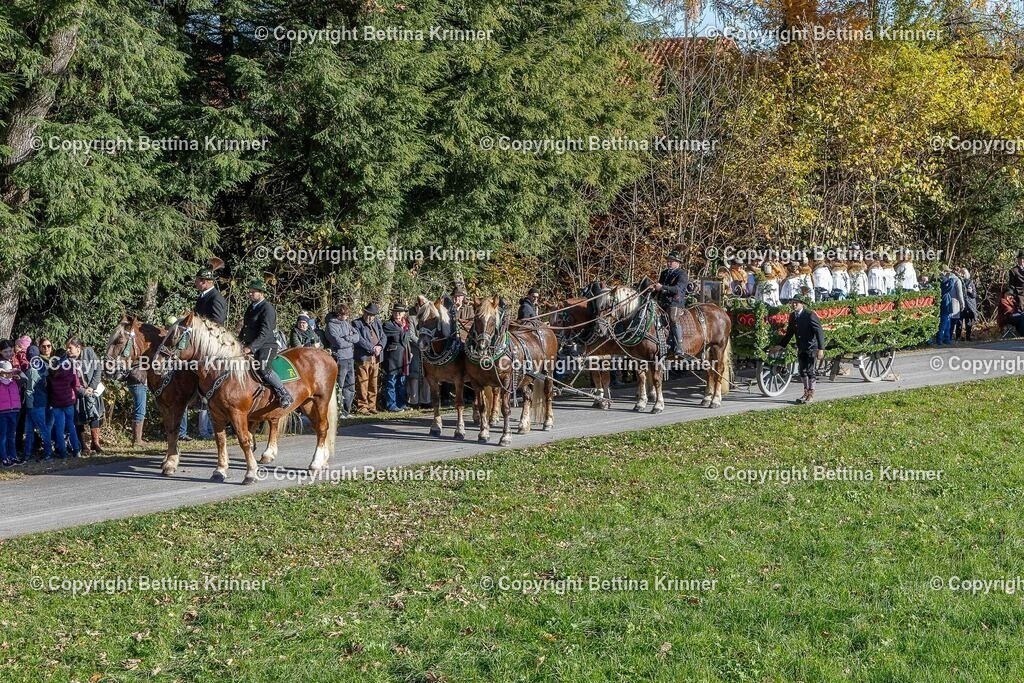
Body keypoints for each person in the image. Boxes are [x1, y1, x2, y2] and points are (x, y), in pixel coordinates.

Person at [238, 279, 294, 408]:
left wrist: (250, 348)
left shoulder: (267, 309)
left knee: (263, 368)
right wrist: (238, 343)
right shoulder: (250, 308)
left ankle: (284, 394)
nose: (250, 294)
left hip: (266, 345)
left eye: (253, 292)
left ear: (261, 293)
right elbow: (245, 329)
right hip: (250, 345)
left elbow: (265, 332)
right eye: (249, 292)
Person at [771, 294, 825, 404]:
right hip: (801, 346)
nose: (794, 304)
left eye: (796, 302)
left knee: (810, 371)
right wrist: (781, 345)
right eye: (792, 302)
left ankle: (811, 394)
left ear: (802, 304)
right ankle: (805, 392)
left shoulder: (810, 314)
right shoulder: (793, 316)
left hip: (811, 347)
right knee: (802, 371)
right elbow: (790, 333)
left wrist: (821, 348)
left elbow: (819, 331)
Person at [67, 338, 105, 453]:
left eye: (70, 348)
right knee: (78, 418)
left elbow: (98, 369)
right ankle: (83, 445)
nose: (67, 350)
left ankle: (95, 443)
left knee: (95, 415)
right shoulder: (67, 361)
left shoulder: (89, 352)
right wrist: (82, 391)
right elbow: (70, 381)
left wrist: (91, 387)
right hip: (78, 393)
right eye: (67, 348)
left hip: (92, 390)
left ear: (78, 348)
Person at [325, 304, 360, 419]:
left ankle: (346, 410)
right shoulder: (331, 325)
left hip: (350, 357)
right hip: (340, 358)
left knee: (350, 385)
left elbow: (357, 336)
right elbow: (338, 343)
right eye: (344, 315)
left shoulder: (346, 324)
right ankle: (338, 411)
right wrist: (349, 340)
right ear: (339, 314)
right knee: (339, 385)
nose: (346, 317)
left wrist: (348, 338)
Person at [653, 250, 688, 355]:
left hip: (675, 302)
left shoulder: (682, 274)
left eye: (671, 261)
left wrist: (662, 287)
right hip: (661, 301)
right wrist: (654, 289)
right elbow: (660, 288)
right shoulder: (664, 273)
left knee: (673, 318)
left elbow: (677, 289)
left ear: (678, 263)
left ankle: (679, 345)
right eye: (668, 261)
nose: (669, 263)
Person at [48, 353, 82, 459]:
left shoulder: (51, 371)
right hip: (68, 403)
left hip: (56, 403)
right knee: (71, 426)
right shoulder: (70, 370)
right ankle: (76, 451)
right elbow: (76, 385)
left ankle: (62, 453)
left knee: (59, 428)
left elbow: (49, 388)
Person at [352, 303, 385, 414]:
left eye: (372, 315)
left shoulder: (377, 323)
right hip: (363, 358)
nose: (370, 317)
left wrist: (380, 346)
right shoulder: (356, 323)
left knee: (373, 383)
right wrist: (372, 348)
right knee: (362, 383)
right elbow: (359, 339)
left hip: (376, 358)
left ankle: (372, 406)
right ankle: (362, 407)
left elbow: (383, 336)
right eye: (368, 314)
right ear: (364, 312)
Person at [22, 345, 52, 461]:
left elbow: (29, 390)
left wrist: (28, 406)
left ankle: (47, 453)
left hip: (33, 404)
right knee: (38, 429)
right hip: (42, 401)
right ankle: (27, 453)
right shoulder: (44, 367)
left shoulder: (30, 371)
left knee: (38, 429)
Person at [382, 303, 413, 412]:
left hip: (404, 357)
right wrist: (406, 330)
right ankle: (391, 405)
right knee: (391, 381)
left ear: (404, 314)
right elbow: (402, 337)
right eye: (395, 312)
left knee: (401, 382)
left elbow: (405, 339)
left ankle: (401, 403)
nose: (397, 314)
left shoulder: (406, 325)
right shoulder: (388, 325)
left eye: (399, 312)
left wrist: (407, 329)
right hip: (392, 358)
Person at [955, 268, 978, 341]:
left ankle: (968, 336)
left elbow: (974, 295)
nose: (963, 275)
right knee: (959, 322)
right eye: (962, 273)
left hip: (969, 305)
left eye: (964, 273)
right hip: (961, 304)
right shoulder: (958, 281)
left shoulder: (970, 282)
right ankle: (958, 337)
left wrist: (970, 292)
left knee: (968, 322)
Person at [1008, 250, 1024, 315]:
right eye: (1021, 258)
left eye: (1023, 258)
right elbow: (1011, 285)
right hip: (1019, 295)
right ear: (1018, 259)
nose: (1022, 260)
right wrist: (1010, 294)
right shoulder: (1013, 270)